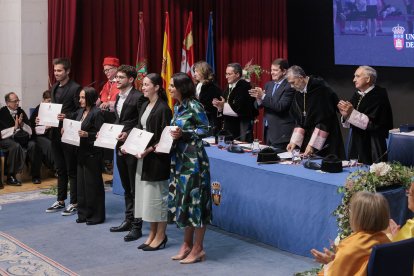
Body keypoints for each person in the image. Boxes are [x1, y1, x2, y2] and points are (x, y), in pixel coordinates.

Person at [168, 72, 212, 264]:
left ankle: (198, 248)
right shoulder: (177, 107)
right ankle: (186, 244)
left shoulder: (195, 105)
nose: (169, 88)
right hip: (180, 159)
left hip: (194, 162)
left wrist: (185, 133)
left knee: (196, 202)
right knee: (185, 201)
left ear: (181, 88)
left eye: (172, 85)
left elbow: (206, 129)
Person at [127, 73, 172, 251]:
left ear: (156, 87)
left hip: (156, 160)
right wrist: (129, 142)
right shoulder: (145, 104)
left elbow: (164, 137)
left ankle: (161, 235)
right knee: (147, 199)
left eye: (146, 85)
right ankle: (152, 234)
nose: (143, 87)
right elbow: (140, 129)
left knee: (157, 199)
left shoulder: (163, 109)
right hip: (143, 158)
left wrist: (148, 150)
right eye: (142, 84)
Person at [311, 191, 390, 276]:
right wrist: (334, 260)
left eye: (350, 210)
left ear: (358, 217)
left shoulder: (350, 247)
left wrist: (330, 264)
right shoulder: (387, 241)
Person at [109, 65, 146, 242]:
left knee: (134, 186)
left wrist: (128, 133)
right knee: (126, 185)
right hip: (119, 144)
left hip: (133, 145)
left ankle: (137, 225)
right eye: (116, 77)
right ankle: (128, 219)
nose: (116, 80)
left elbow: (140, 123)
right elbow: (120, 119)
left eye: (120, 78)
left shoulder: (139, 97)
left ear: (131, 80)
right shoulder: (117, 96)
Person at [45, 58, 81, 215]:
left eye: (59, 70)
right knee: (60, 169)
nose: (56, 73)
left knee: (71, 169)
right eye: (54, 70)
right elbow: (52, 109)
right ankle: (60, 200)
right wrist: (44, 119)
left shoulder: (75, 88)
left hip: (69, 133)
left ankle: (75, 202)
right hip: (55, 134)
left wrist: (66, 116)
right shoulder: (53, 88)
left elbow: (80, 111)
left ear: (67, 71)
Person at [286, 65, 345, 158]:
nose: (291, 86)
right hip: (308, 139)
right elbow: (299, 119)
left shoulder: (321, 89)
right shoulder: (299, 91)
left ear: (301, 78)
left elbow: (325, 120)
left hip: (325, 138)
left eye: (293, 82)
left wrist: (312, 145)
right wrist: (294, 141)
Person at [338, 66, 392, 165]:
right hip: (356, 140)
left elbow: (373, 123)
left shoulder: (379, 95)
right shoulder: (357, 95)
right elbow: (350, 120)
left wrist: (351, 113)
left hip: (373, 142)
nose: (354, 80)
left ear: (368, 79)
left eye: (357, 76)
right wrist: (345, 115)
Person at [71, 87, 105, 225]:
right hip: (80, 152)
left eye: (83, 97)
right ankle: (83, 214)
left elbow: (101, 134)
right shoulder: (80, 112)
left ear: (90, 98)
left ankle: (96, 216)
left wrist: (88, 135)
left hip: (93, 153)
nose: (80, 100)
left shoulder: (97, 113)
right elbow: (73, 127)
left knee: (93, 186)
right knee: (82, 186)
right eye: (80, 97)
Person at [249, 58, 295, 148]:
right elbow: (258, 106)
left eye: (275, 70)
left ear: (284, 71)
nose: (272, 72)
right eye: (271, 70)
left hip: (281, 133)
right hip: (267, 131)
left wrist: (262, 96)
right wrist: (258, 99)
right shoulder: (269, 84)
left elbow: (280, 107)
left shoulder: (290, 86)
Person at [0, 92, 42, 185]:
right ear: (7, 103)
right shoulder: (2, 113)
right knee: (14, 146)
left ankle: (36, 176)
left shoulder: (20, 111)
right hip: (6, 140)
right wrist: (14, 128)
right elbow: (1, 134)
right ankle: (11, 176)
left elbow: (31, 131)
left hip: (22, 138)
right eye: (15, 101)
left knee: (33, 145)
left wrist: (22, 124)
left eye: (18, 100)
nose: (17, 103)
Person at [212, 63, 256, 142]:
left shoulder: (244, 87)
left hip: (239, 127)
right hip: (228, 126)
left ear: (237, 74)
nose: (226, 76)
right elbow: (224, 105)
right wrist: (219, 106)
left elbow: (240, 109)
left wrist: (223, 106)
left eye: (229, 74)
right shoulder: (229, 86)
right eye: (226, 74)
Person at [97, 56, 120, 182]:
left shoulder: (121, 83)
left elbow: (119, 101)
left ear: (116, 69)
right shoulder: (106, 85)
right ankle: (108, 168)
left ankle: (115, 175)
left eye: (109, 70)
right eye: (105, 70)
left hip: (116, 119)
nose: (106, 73)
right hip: (105, 119)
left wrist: (108, 103)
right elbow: (101, 100)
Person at [193, 61, 222, 136]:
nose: (194, 74)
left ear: (204, 71)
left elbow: (212, 106)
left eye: (196, 71)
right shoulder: (197, 85)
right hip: (198, 121)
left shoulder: (212, 87)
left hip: (209, 122)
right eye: (194, 71)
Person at [29, 90, 54, 172]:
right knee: (50, 145)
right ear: (43, 100)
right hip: (38, 136)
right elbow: (32, 129)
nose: (50, 103)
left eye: (52, 101)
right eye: (49, 101)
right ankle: (54, 168)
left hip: (50, 135)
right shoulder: (38, 110)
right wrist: (46, 127)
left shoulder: (54, 110)